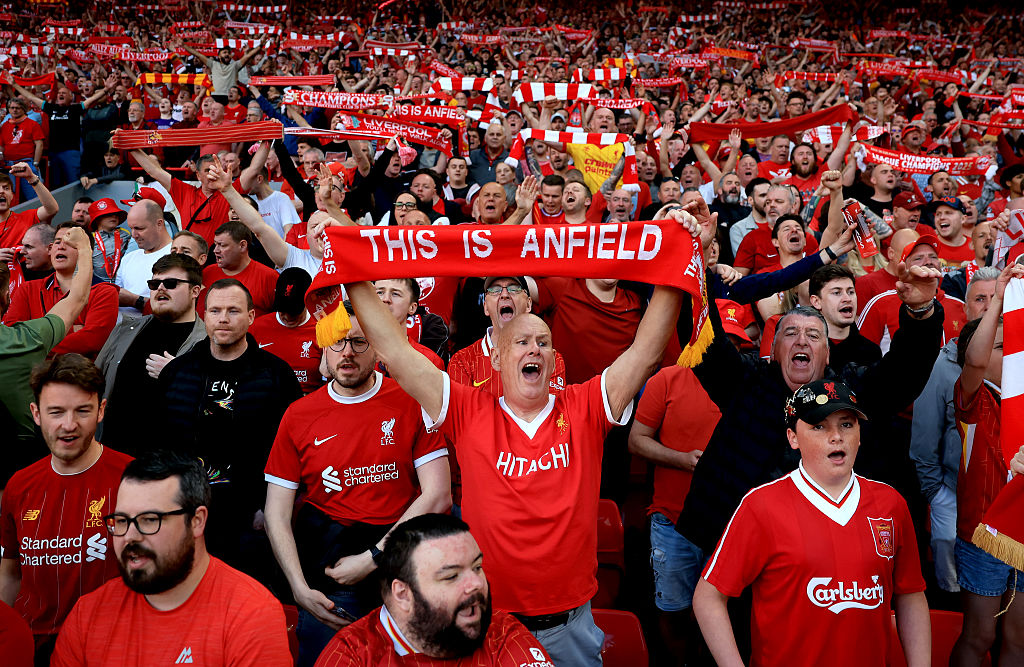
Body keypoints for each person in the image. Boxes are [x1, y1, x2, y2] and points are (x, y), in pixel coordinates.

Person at [342, 207, 699, 664]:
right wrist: (351, 263)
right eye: (521, 343)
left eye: (544, 343)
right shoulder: (468, 410)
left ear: (553, 358)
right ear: (495, 359)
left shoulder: (586, 406)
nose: (534, 348)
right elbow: (392, 347)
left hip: (572, 626)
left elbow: (647, 350)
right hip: (488, 625)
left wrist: (674, 258)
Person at [264, 301, 450, 666]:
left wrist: (372, 558)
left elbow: (439, 494)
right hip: (333, 582)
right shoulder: (298, 414)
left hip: (402, 571)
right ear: (323, 349)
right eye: (337, 342)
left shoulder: (410, 400)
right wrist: (299, 589)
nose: (347, 352)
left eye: (359, 342)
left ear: (378, 347)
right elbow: (276, 512)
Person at [693, 379, 930, 667]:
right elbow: (708, 597)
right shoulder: (762, 505)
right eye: (819, 426)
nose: (836, 436)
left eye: (846, 424)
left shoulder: (890, 503)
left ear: (859, 434)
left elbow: (910, 594)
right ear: (793, 437)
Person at [50, 450, 293, 666]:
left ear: (197, 521)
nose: (130, 537)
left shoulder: (251, 614)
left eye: (149, 520)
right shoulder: (88, 615)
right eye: (122, 521)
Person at [159, 279, 301, 573]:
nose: (223, 318)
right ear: (204, 315)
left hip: (250, 520)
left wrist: (270, 508)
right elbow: (156, 442)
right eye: (215, 310)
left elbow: (292, 449)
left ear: (251, 317)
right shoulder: (177, 372)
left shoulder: (276, 376)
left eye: (233, 311)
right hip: (184, 512)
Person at [0, 354, 132, 664]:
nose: (68, 425)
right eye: (56, 412)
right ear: (36, 413)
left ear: (100, 410)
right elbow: (10, 570)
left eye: (82, 411)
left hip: (107, 646)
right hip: (33, 644)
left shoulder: (133, 479)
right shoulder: (19, 485)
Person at [314, 514, 554, 665]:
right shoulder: (352, 655)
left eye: (477, 567)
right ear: (403, 594)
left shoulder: (502, 633)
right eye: (451, 576)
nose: (477, 584)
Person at [949, 264, 1024, 667]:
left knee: (1018, 638)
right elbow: (976, 361)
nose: (1008, 352)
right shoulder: (973, 400)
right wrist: (997, 301)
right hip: (984, 533)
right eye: (1000, 347)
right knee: (979, 635)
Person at [910, 267, 998, 597]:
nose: (990, 306)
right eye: (980, 299)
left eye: (996, 298)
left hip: (1008, 495)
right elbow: (924, 436)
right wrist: (938, 495)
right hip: (954, 492)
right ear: (965, 308)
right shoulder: (944, 363)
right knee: (958, 593)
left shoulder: (1017, 357)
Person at [628, 361, 721, 665]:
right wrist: (682, 460)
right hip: (672, 521)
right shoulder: (667, 379)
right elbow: (636, 440)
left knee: (720, 613)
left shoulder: (745, 381)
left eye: (736, 344)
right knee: (673, 610)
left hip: (725, 526)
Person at [0, 226, 93, 485]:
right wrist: (84, 247)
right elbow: (78, 297)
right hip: (22, 462)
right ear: (7, 298)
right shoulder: (28, 339)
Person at [95, 254, 207, 452]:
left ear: (195, 291)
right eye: (154, 284)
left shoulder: (208, 342)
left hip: (167, 466)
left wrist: (179, 374)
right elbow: (95, 381)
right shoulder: (125, 329)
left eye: (171, 283)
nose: (160, 289)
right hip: (111, 454)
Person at [3, 225, 119, 359]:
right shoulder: (27, 289)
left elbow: (93, 340)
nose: (61, 247)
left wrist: (31, 342)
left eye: (70, 243)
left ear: (86, 251)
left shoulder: (105, 292)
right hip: (32, 376)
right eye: (57, 242)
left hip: (79, 376)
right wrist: (72, 330)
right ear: (50, 250)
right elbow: (12, 333)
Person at [249, 268, 323, 394]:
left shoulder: (322, 329)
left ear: (309, 299)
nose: (287, 317)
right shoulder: (255, 328)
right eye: (283, 309)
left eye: (294, 311)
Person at [807, 264, 881, 370]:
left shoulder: (871, 352)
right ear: (816, 301)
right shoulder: (804, 348)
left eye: (851, 292)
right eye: (837, 293)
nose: (847, 298)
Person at [201, 221, 279, 317]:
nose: (215, 250)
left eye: (222, 245)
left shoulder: (269, 277)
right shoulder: (207, 273)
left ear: (242, 245)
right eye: (215, 244)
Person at [115, 200, 172, 316]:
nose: (134, 235)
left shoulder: (177, 254)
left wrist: (136, 301)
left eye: (139, 228)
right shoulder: (128, 259)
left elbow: (176, 306)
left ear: (159, 224)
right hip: (123, 331)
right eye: (131, 228)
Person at [0, 165, 58, 248]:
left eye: (6, 188)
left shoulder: (27, 218)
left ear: (12, 195)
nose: (2, 191)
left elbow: (52, 209)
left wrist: (31, 178)